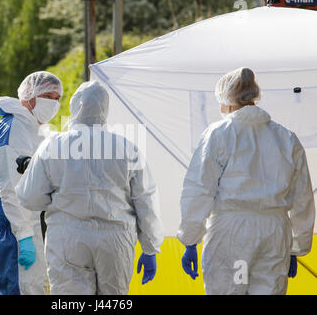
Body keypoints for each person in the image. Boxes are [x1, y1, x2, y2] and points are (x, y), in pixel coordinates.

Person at [16, 80, 164, 295]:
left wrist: (57, 197)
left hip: (67, 237)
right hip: (115, 240)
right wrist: (150, 248)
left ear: (74, 107)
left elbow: (30, 198)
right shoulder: (127, 148)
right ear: (105, 108)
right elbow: (146, 200)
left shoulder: (53, 145)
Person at [178, 67, 315, 295]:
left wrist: (190, 238)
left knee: (230, 289)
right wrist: (296, 246)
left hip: (232, 234)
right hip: (274, 234)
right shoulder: (286, 138)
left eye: (221, 102)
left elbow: (199, 188)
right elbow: (303, 197)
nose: (221, 109)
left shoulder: (219, 133)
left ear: (228, 100)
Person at [0, 71, 63, 295]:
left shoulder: (30, 129)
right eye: (48, 96)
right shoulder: (14, 130)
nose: (54, 103)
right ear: (29, 95)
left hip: (31, 233)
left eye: (58, 99)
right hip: (18, 238)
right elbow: (11, 189)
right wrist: (24, 236)